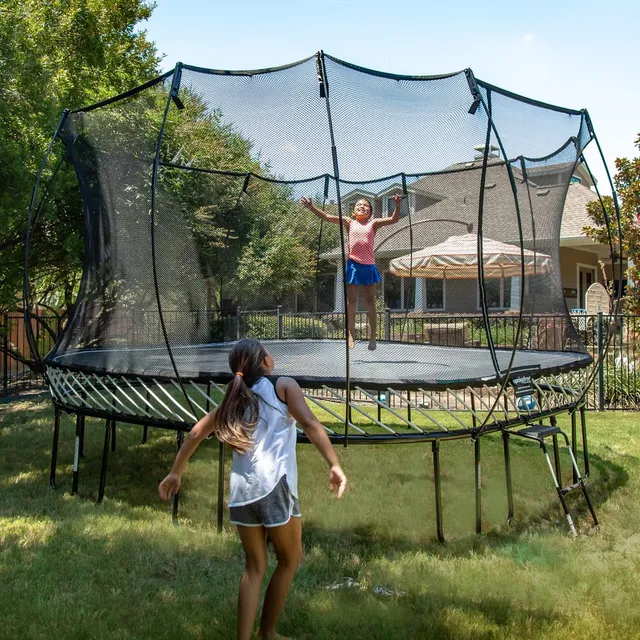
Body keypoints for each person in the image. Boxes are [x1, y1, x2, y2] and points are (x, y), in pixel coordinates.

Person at [158, 338, 347, 640]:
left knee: (254, 567)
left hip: (241, 494)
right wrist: (334, 464)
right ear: (267, 362)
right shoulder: (282, 385)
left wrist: (175, 473)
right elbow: (309, 422)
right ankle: (267, 633)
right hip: (273, 487)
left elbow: (195, 433)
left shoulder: (233, 402)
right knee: (290, 558)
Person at [301, 193, 403, 350]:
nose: (362, 207)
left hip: (369, 266)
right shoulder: (349, 222)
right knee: (351, 302)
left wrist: (396, 205)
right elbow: (327, 216)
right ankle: (350, 334)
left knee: (370, 302)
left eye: (366, 206)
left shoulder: (373, 223)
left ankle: (373, 335)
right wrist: (311, 207)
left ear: (370, 212)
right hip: (353, 265)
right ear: (353, 211)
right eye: (358, 205)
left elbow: (393, 220)